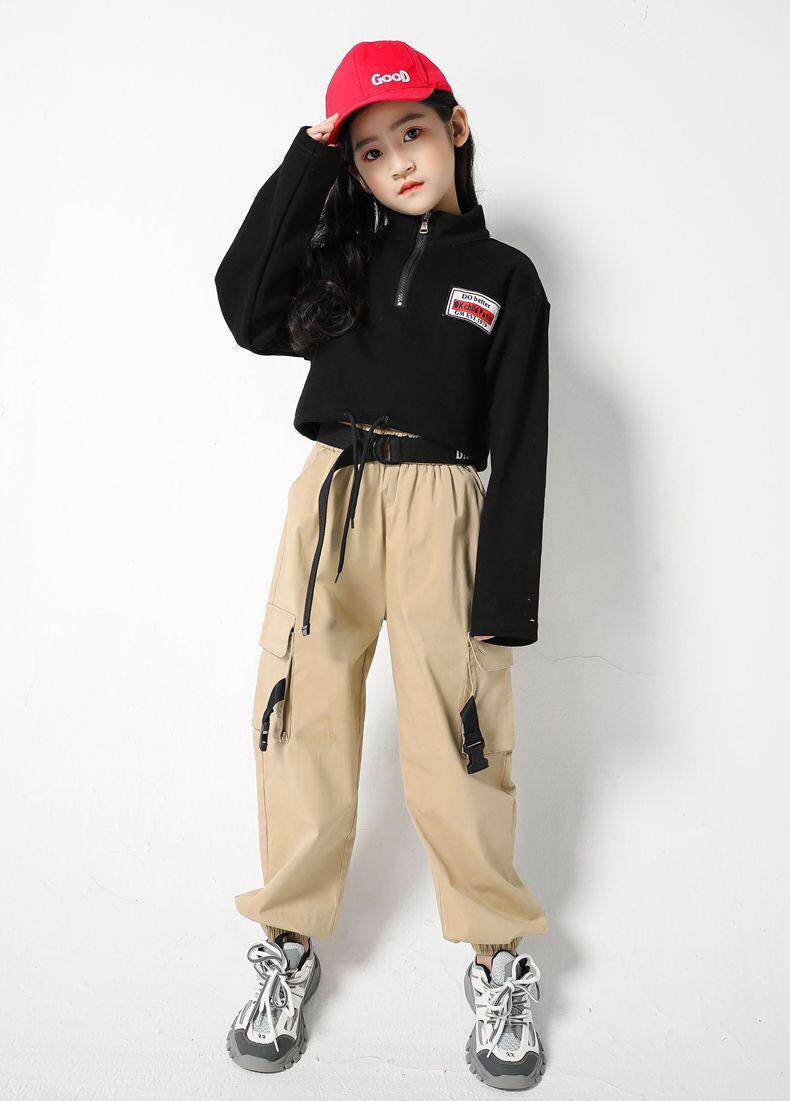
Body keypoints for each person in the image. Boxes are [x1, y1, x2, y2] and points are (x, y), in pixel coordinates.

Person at [214, 38, 551, 1091]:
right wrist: (310, 160)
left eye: (412, 133)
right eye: (368, 151)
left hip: (442, 505)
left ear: (455, 128)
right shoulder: (342, 261)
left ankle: (497, 957)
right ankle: (287, 940)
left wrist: (505, 598)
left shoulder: (503, 278)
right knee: (301, 713)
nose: (397, 161)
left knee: (458, 731)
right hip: (333, 498)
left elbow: (522, 438)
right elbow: (245, 305)